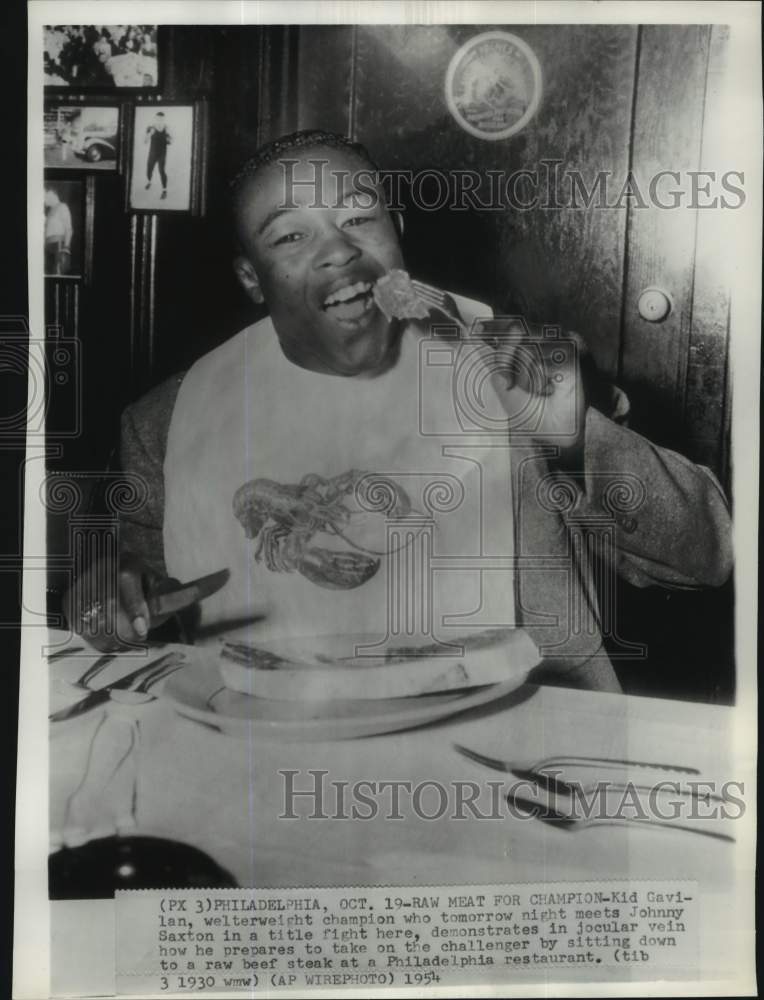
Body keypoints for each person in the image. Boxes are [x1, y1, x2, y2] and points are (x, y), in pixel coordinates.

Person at [67, 130, 733, 692]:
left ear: (398, 236)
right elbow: (139, 619)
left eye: (359, 218)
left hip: (513, 766)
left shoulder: (514, 367)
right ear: (250, 279)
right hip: (264, 773)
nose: (337, 248)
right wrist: (108, 608)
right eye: (290, 237)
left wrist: (574, 440)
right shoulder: (165, 422)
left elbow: (709, 558)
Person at [44, 187, 73, 276]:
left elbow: (69, 228)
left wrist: (66, 248)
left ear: (52, 194)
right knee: (49, 277)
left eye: (45, 196)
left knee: (58, 275)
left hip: (58, 245)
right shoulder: (49, 212)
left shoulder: (62, 206)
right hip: (48, 247)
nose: (43, 199)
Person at [144, 112, 171, 199]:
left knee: (161, 171)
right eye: (158, 118)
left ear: (163, 119)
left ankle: (164, 190)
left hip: (162, 153)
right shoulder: (151, 127)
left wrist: (169, 138)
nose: (159, 120)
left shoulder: (166, 128)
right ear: (155, 118)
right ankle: (149, 181)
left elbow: (170, 142)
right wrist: (149, 134)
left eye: (161, 119)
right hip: (152, 153)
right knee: (149, 170)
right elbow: (145, 141)